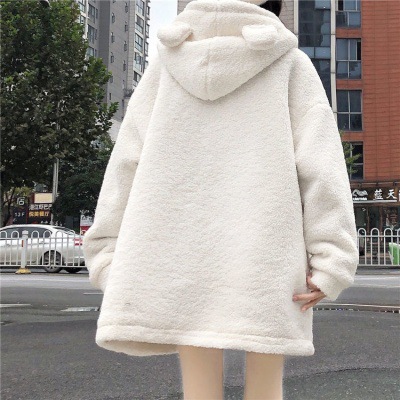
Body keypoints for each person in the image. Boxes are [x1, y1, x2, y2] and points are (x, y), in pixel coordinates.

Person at [82, 0, 359, 398]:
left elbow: (125, 163)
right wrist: (332, 258)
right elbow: (322, 169)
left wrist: (107, 253)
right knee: (266, 378)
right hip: (266, 254)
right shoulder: (289, 64)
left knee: (198, 377)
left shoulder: (165, 68)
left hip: (179, 255)